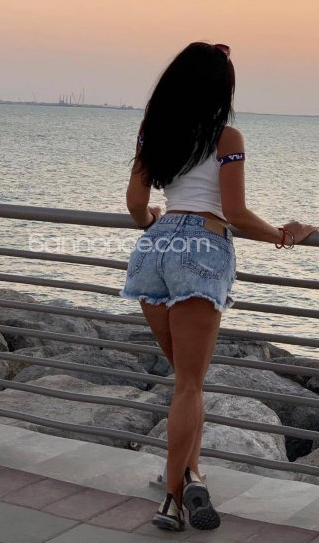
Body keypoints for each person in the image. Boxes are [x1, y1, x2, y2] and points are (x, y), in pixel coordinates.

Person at [119, 41, 317, 532]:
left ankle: (192, 475)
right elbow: (235, 213)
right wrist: (286, 235)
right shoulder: (226, 137)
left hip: (154, 248)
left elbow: (136, 204)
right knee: (190, 384)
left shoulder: (153, 132)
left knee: (186, 384)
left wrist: (153, 220)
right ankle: (171, 500)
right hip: (202, 250)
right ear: (220, 89)